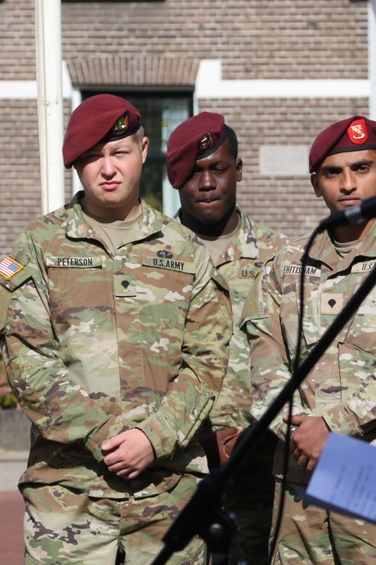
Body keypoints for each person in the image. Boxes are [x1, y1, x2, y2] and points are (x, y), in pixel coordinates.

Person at [0, 94, 231, 564]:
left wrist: (153, 437)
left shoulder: (185, 250)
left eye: (118, 152)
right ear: (77, 166)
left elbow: (208, 361)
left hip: (168, 497)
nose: (108, 168)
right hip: (68, 499)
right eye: (92, 157)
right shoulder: (39, 244)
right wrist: (103, 433)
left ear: (143, 151)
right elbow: (26, 358)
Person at [242, 116, 376, 564]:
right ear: (314, 184)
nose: (347, 184)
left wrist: (333, 427)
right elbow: (261, 360)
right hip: (298, 483)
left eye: (362, 168)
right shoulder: (285, 266)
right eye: (332, 173)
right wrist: (303, 432)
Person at [166, 111, 285, 565]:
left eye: (218, 168)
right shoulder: (151, 255)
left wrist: (257, 430)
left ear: (238, 171)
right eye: (194, 172)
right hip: (176, 463)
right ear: (176, 178)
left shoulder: (282, 258)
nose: (207, 182)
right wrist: (195, 434)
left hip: (260, 462)